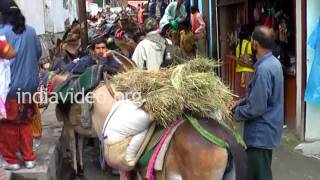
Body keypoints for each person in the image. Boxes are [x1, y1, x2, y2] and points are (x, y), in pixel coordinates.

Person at [231, 26, 284, 180]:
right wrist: (242, 101)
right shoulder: (273, 63)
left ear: (255, 44)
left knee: (258, 175)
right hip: (268, 132)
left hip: (260, 134)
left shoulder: (264, 70)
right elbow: (263, 97)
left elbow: (256, 108)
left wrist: (235, 113)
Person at [0, 0, 42, 170]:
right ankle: (29, 158)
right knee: (25, 122)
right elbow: (38, 54)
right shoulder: (31, 31)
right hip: (29, 87)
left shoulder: (1, 33)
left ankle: (11, 161)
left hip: (8, 89)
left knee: (7, 125)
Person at [235, 24, 255, 97]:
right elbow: (251, 59)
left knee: (242, 96)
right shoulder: (249, 44)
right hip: (248, 72)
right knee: (249, 95)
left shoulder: (239, 45)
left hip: (239, 72)